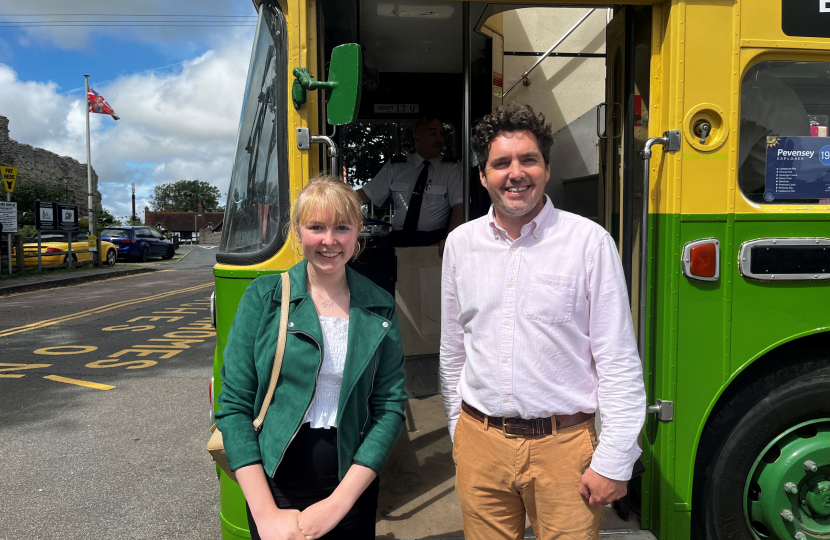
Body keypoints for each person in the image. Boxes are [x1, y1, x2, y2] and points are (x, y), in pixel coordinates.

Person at [439, 102, 646, 540]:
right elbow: (454, 348)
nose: (515, 173)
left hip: (565, 449)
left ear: (547, 169)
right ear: (483, 175)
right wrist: (459, 431)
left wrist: (614, 458)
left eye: (528, 159)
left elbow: (618, 362)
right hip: (480, 443)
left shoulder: (589, 243)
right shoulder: (461, 245)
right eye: (501, 163)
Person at [216, 175, 408, 540]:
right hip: (274, 486)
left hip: (351, 487)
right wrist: (265, 512)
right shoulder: (264, 297)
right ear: (298, 231)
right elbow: (234, 405)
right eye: (316, 227)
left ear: (358, 232)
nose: (329, 240)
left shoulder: (379, 303)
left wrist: (339, 503)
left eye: (342, 227)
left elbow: (389, 406)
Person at [356, 116, 464, 253]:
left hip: (433, 240)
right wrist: (334, 200)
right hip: (399, 237)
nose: (439, 139)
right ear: (417, 137)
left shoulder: (452, 168)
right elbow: (366, 195)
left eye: (441, 134)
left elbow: (459, 206)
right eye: (432, 133)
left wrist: (450, 240)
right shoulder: (397, 166)